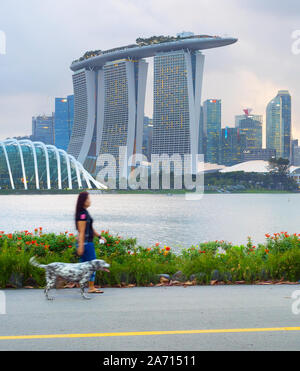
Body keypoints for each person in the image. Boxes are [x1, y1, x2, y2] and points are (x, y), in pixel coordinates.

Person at [75, 191, 107, 294]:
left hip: (86, 243)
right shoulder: (82, 215)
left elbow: (90, 228)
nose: (90, 201)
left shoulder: (84, 212)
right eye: (88, 199)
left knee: (83, 266)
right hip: (86, 243)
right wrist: (81, 246)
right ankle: (91, 287)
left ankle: (69, 280)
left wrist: (99, 236)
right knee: (92, 265)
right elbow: (82, 231)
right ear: (83, 201)